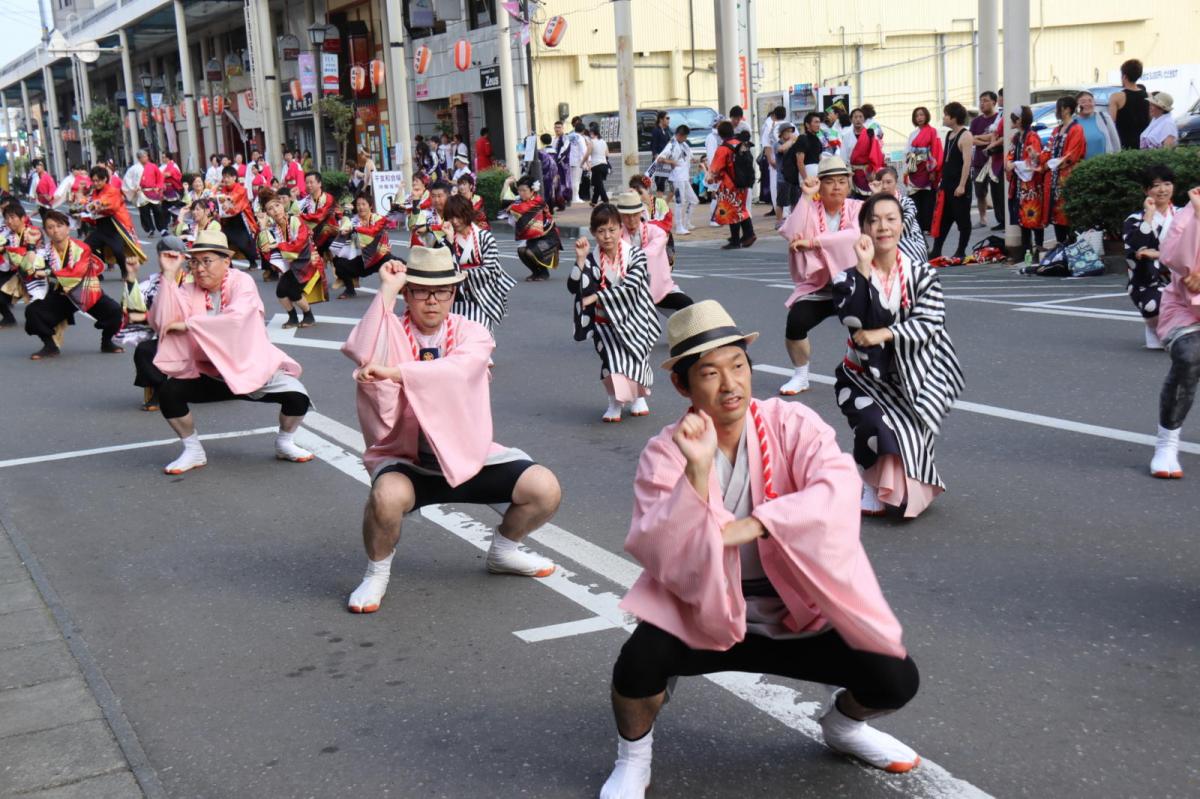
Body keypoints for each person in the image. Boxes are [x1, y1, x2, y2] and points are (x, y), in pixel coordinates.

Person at [598, 300, 921, 799]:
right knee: (637, 665)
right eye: (710, 373)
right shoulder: (666, 451)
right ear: (683, 385)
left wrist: (758, 524)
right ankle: (632, 759)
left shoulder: (792, 424)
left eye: (738, 366)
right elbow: (662, 553)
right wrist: (698, 472)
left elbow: (838, 489)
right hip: (704, 609)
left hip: (799, 610)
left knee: (894, 676)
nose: (730, 384)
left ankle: (843, 726)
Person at [340, 249, 562, 615]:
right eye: (421, 290)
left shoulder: (471, 332)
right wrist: (387, 290)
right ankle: (376, 573)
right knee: (385, 497)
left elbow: (458, 371)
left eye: (441, 291)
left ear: (453, 294)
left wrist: (397, 373)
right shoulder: (392, 329)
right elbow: (360, 349)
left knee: (544, 488)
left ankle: (504, 551)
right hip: (409, 459)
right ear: (408, 293)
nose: (432, 299)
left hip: (469, 456)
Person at [831, 194, 964, 517]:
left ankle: (902, 489)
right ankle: (867, 482)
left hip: (913, 378)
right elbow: (853, 319)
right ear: (863, 228)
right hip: (862, 376)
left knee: (910, 439)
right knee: (874, 425)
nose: (883, 227)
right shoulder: (846, 277)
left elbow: (931, 321)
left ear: (902, 225)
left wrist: (888, 333)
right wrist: (864, 269)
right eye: (874, 220)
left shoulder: (922, 274)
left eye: (891, 219)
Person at [148, 229, 314, 473]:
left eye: (206, 261)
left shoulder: (241, 282)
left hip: (251, 368)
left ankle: (285, 442)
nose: (199, 269)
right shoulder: (189, 289)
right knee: (169, 393)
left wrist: (189, 324)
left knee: (298, 397)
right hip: (210, 371)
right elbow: (163, 320)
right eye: (194, 262)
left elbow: (237, 319)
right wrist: (169, 275)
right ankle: (193, 450)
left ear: (226, 261)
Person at [568, 203, 662, 422]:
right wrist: (580, 259)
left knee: (637, 359)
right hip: (605, 323)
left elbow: (631, 286)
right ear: (593, 233)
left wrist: (598, 297)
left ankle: (639, 397)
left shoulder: (635, 255)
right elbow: (574, 287)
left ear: (621, 229)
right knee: (611, 364)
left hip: (637, 320)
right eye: (601, 231)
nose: (607, 236)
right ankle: (614, 402)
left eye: (612, 230)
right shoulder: (592, 259)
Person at [776, 158, 862, 395]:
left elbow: (854, 236)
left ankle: (865, 374)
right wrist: (805, 196)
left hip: (853, 284)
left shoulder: (857, 208)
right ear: (820, 186)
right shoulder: (810, 208)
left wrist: (814, 242)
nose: (837, 187)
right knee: (796, 322)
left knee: (865, 327)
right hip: (819, 285)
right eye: (830, 182)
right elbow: (791, 232)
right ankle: (801, 375)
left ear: (849, 185)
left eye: (842, 181)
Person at [23, 210, 125, 360]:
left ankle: (107, 342)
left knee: (115, 311)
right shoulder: (45, 251)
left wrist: (49, 272)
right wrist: (31, 245)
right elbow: (30, 268)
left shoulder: (81, 248)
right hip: (62, 295)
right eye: (50, 227)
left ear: (68, 227)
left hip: (86, 291)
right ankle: (50, 346)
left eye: (59, 226)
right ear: (46, 231)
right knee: (33, 312)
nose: (55, 230)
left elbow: (77, 272)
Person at [1150, 185, 1200, 478]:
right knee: (1189, 356)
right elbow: (1171, 255)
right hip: (1184, 306)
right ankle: (1166, 444)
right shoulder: (1190, 209)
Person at [120, 236, 188, 412]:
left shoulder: (193, 281)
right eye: (165, 255)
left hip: (192, 336)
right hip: (167, 337)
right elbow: (134, 312)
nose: (169, 260)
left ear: (182, 258)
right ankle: (160, 389)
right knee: (145, 350)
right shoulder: (151, 284)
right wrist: (131, 276)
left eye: (174, 256)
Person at [1123, 165, 1182, 351]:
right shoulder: (1134, 219)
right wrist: (1148, 215)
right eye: (1156, 185)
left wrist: (1158, 254)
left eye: (1167, 184)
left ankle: (1179, 330)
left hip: (1184, 278)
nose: (1163, 189)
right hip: (1149, 280)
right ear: (1146, 190)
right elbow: (1137, 251)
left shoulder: (1184, 215)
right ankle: (1154, 326)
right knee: (1154, 305)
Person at [443, 194, 516, 337]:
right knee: (455, 334)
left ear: (467, 214)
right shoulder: (446, 240)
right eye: (451, 217)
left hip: (482, 294)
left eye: (458, 216)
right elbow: (444, 268)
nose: (455, 221)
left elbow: (489, 269)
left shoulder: (485, 237)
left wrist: (464, 274)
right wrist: (449, 242)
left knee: (479, 333)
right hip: (456, 296)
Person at [616, 191, 693, 314]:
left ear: (641, 213)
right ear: (620, 216)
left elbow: (651, 252)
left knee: (687, 306)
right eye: (626, 215)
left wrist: (630, 256)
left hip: (658, 288)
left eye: (635, 214)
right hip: (628, 291)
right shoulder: (615, 234)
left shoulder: (656, 231)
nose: (631, 219)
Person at [260, 190, 326, 328]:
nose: (275, 210)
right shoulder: (273, 228)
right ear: (267, 213)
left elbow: (300, 243)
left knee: (293, 291)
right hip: (292, 263)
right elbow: (265, 248)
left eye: (277, 205)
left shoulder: (295, 220)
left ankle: (308, 316)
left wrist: (278, 246)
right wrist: (262, 227)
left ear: (283, 205)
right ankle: (293, 318)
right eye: (270, 209)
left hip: (306, 261)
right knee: (280, 291)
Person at [332, 193, 398, 300]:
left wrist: (354, 229)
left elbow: (373, 231)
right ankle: (350, 290)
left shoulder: (378, 218)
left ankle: (402, 286)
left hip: (380, 257)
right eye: (358, 205)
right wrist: (345, 221)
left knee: (402, 265)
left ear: (370, 206)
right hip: (364, 260)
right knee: (338, 262)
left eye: (364, 204)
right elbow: (343, 226)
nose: (361, 207)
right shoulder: (354, 221)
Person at [929, 102, 974, 261]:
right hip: (947, 184)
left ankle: (961, 250)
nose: (944, 117)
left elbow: (967, 163)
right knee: (943, 219)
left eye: (946, 115)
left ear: (954, 117)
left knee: (963, 220)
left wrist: (962, 185)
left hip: (959, 185)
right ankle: (936, 250)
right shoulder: (949, 135)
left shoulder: (966, 135)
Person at [85, 165, 147, 279]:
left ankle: (124, 270)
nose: (95, 183)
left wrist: (98, 204)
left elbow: (112, 205)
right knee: (86, 248)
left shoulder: (113, 191)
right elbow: (87, 204)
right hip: (101, 227)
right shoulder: (93, 192)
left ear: (105, 179)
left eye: (98, 180)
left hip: (114, 227)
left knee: (118, 251)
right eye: (93, 181)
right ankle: (97, 271)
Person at [1042, 96, 1086, 246]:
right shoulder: (1056, 130)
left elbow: (1072, 155)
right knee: (1055, 213)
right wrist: (1037, 157)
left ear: (1066, 109)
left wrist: (1051, 164)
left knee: (1067, 213)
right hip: (1054, 178)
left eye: (1058, 108)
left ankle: (1071, 246)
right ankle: (1061, 245)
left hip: (1067, 177)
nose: (1056, 112)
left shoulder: (1076, 129)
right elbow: (1047, 150)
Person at [1005, 106, 1048, 258]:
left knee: (1033, 217)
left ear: (1019, 120)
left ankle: (1038, 248)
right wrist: (1009, 163)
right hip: (1019, 183)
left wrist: (1014, 164)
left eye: (1013, 118)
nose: (1011, 121)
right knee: (1022, 219)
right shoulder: (1017, 137)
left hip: (1031, 185)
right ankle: (1026, 251)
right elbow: (1010, 155)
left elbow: (1034, 161)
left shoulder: (1032, 136)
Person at [0, 202, 50, 328]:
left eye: (12, 217)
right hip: (12, 270)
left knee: (41, 301)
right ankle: (8, 318)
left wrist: (10, 249)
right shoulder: (5, 232)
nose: (9, 221)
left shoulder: (33, 232)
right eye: (6, 218)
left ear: (23, 218)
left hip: (33, 270)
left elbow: (39, 255)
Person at [708, 120, 756, 250]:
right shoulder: (740, 143)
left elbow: (715, 168)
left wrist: (710, 179)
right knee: (741, 208)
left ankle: (736, 240)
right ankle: (748, 234)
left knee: (731, 211)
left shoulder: (723, 148)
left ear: (720, 134)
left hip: (729, 184)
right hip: (743, 183)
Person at [504, 175, 561, 282]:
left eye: (524, 190)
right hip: (535, 237)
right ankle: (535, 272)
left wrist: (511, 207)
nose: (521, 193)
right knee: (521, 250)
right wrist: (506, 184)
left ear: (532, 191)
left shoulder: (538, 201)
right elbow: (505, 203)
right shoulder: (521, 201)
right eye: (519, 190)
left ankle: (544, 273)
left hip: (549, 237)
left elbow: (521, 209)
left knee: (530, 252)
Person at [870, 167, 928, 265]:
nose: (884, 186)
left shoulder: (907, 202)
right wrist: (875, 195)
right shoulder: (874, 203)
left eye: (889, 182)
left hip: (909, 243)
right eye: (881, 183)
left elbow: (903, 226)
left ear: (896, 183)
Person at [969, 91, 1004, 230]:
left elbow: (997, 136)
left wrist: (984, 140)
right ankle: (983, 219)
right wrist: (989, 142)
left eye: (985, 100)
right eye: (981, 100)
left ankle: (1002, 219)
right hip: (979, 161)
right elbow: (971, 140)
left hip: (995, 161)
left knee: (998, 192)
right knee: (980, 192)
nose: (982, 103)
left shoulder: (999, 118)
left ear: (994, 102)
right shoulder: (976, 121)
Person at [903, 107, 942, 233]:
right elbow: (908, 152)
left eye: (922, 115)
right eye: (917, 116)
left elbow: (935, 150)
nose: (919, 118)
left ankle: (928, 226)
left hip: (927, 167)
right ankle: (918, 226)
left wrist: (933, 170)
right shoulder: (912, 134)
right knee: (915, 198)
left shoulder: (933, 131)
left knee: (928, 199)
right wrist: (908, 169)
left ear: (926, 116)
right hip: (914, 166)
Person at [217, 165, 260, 270]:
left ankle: (252, 261)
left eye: (228, 177)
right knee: (224, 241)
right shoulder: (223, 190)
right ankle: (228, 265)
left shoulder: (241, 189)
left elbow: (235, 198)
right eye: (224, 177)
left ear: (234, 177)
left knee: (243, 243)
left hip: (239, 219)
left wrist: (227, 201)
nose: (226, 179)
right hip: (227, 219)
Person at [657, 125, 696, 234]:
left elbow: (689, 157)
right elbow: (660, 159)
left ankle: (686, 223)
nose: (686, 139)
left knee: (693, 200)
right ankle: (679, 226)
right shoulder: (672, 145)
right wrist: (672, 162)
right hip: (676, 178)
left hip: (684, 177)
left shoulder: (684, 145)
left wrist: (693, 160)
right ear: (680, 135)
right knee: (680, 202)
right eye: (685, 136)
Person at [1110, 59, 1151, 151]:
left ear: (1124, 76)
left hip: (1124, 144)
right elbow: (1151, 119)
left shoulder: (1116, 97)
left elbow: (1111, 122)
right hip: (1144, 143)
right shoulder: (1149, 95)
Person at [299, 171, 341, 260]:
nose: (308, 185)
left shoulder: (328, 198)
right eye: (306, 183)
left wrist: (300, 217)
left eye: (311, 182)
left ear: (319, 183)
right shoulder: (304, 202)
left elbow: (319, 216)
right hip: (313, 238)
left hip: (330, 235)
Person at [847, 109, 884, 200]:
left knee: (871, 199)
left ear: (864, 119)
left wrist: (873, 169)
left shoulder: (870, 133)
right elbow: (844, 157)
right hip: (853, 173)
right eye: (855, 117)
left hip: (869, 172)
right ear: (851, 119)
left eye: (860, 117)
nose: (858, 119)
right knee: (856, 199)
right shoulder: (847, 136)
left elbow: (876, 152)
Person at [1075, 91, 1120, 159]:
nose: (1087, 104)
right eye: (1083, 102)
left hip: (1104, 163)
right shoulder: (1073, 122)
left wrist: (1117, 159)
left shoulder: (1104, 118)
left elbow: (1115, 141)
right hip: (1082, 164)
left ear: (1094, 103)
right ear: (1077, 105)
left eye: (1090, 101)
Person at [773, 123, 801, 220]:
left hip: (793, 177)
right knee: (781, 202)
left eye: (791, 131)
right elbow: (781, 149)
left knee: (795, 201)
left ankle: (793, 221)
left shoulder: (793, 144)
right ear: (781, 133)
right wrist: (791, 140)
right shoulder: (777, 144)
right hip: (782, 178)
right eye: (787, 131)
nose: (790, 133)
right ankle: (779, 222)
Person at [136, 150, 168, 237]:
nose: (145, 158)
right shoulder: (136, 168)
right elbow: (132, 180)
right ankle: (150, 229)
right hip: (142, 192)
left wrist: (158, 186)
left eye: (146, 156)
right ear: (139, 158)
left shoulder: (153, 166)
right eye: (143, 157)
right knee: (144, 212)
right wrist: (135, 187)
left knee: (158, 211)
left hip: (153, 191)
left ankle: (162, 229)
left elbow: (160, 177)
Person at [763, 105, 787, 214]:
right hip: (789, 163)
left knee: (775, 188)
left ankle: (780, 215)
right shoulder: (791, 126)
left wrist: (770, 160)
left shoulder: (769, 127)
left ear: (774, 115)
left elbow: (767, 145)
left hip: (774, 162)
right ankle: (788, 214)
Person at [649, 112, 672, 195]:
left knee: (669, 181)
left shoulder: (666, 130)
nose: (669, 120)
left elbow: (669, 142)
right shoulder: (656, 130)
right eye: (667, 118)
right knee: (660, 182)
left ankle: (661, 201)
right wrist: (656, 157)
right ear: (661, 119)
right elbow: (653, 145)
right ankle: (659, 200)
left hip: (666, 159)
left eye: (669, 118)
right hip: (659, 159)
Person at [587, 126, 611, 205]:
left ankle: (606, 200)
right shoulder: (603, 141)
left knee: (599, 185)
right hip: (604, 165)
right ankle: (594, 201)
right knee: (597, 183)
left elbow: (587, 154)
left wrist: (584, 162)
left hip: (596, 166)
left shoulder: (592, 142)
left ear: (592, 133)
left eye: (590, 132)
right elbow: (607, 154)